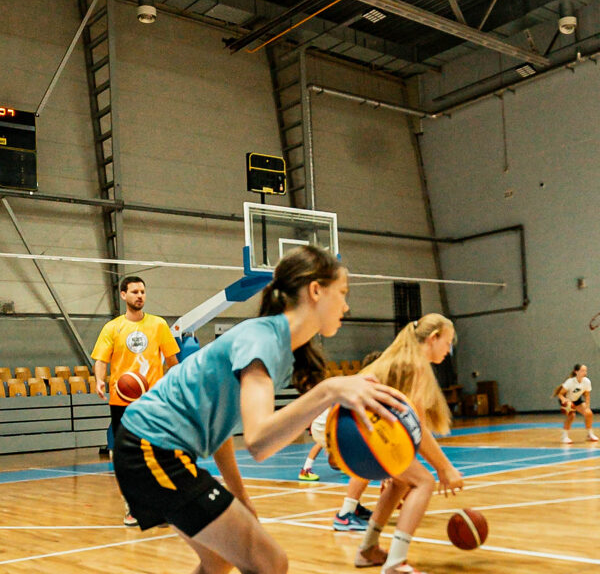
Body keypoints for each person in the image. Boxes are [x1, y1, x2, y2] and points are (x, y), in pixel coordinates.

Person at [112, 245, 404, 574]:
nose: (347, 305)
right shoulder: (263, 341)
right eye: (343, 293)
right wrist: (330, 390)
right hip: (151, 447)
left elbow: (218, 424)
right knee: (270, 562)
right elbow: (259, 442)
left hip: (149, 447)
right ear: (316, 290)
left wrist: (240, 496)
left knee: (218, 561)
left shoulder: (275, 345)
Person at [354, 314, 464, 574]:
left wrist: (432, 465)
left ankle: (367, 550)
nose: (448, 352)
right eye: (447, 343)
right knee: (423, 481)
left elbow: (413, 431)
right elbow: (420, 431)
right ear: (433, 337)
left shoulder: (404, 360)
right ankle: (394, 564)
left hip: (353, 430)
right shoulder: (414, 365)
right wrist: (444, 468)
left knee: (402, 480)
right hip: (353, 430)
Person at [91, 275, 180, 525]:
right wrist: (99, 380)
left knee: (157, 453)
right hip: (122, 401)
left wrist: (170, 384)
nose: (139, 296)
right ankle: (133, 505)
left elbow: (173, 362)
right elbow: (101, 360)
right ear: (123, 295)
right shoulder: (112, 328)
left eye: (142, 291)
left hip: (153, 401)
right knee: (128, 457)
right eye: (134, 292)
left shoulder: (159, 325)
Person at [298, 351, 384, 532]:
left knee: (362, 462)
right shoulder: (366, 384)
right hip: (326, 426)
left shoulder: (362, 382)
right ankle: (345, 515)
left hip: (329, 426)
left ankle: (354, 506)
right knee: (366, 459)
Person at [552, 364, 598, 444]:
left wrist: (587, 406)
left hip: (576, 400)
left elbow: (587, 395)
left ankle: (589, 434)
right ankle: (564, 436)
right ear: (576, 372)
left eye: (585, 370)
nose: (585, 372)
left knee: (589, 413)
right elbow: (560, 394)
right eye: (582, 370)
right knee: (572, 416)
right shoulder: (570, 382)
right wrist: (564, 400)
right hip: (566, 400)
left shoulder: (587, 381)